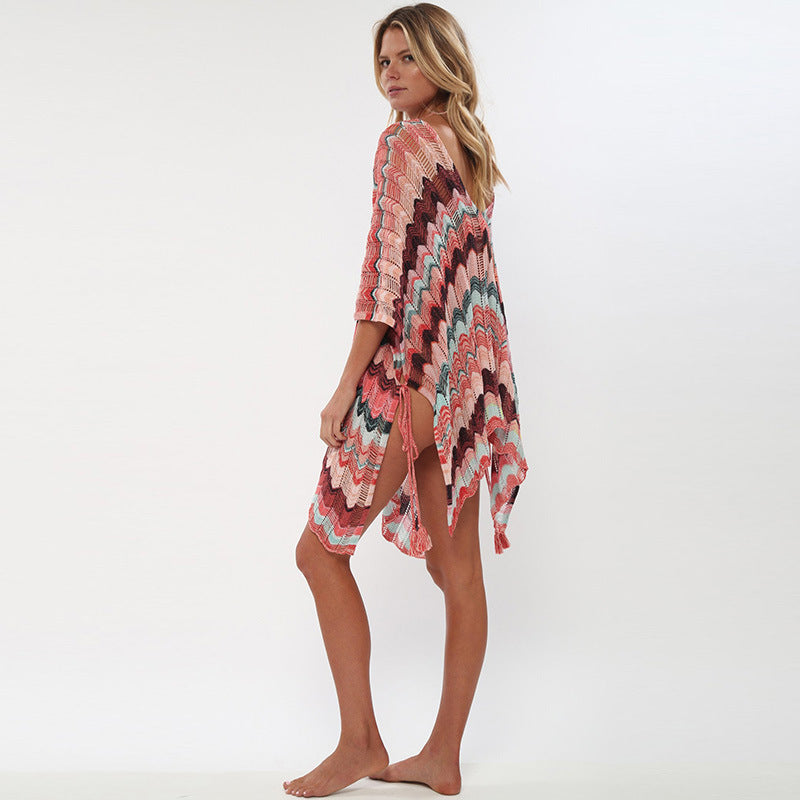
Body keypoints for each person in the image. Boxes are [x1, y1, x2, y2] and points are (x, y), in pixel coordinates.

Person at [284, 3, 529, 797]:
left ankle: (360, 742)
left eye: (406, 58)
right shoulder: (470, 147)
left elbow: (384, 285)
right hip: (470, 384)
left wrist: (344, 388)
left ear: (440, 62)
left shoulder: (403, 146)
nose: (391, 74)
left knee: (319, 552)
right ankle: (442, 757)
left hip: (412, 381)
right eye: (383, 61)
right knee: (459, 574)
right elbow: (464, 286)